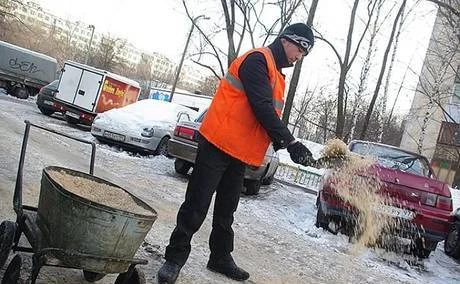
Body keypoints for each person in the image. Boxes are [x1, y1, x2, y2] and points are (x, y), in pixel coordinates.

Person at [157, 23, 315, 283]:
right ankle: (174, 258)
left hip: (239, 151)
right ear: (287, 40)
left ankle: (219, 257)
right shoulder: (257, 60)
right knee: (196, 205)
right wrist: (290, 142)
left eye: (303, 54)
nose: (299, 57)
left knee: (226, 211)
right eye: (300, 50)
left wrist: (283, 144)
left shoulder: (276, 73)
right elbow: (261, 106)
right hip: (218, 143)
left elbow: (264, 116)